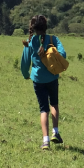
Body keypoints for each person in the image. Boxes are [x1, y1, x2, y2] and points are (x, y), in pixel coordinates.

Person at [20, 15, 67, 150]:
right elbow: (63, 55)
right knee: (54, 104)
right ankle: (55, 132)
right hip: (52, 77)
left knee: (43, 109)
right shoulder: (53, 39)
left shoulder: (30, 42)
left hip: (38, 79)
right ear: (46, 27)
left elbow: (24, 63)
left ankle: (45, 141)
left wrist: (26, 75)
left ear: (33, 28)